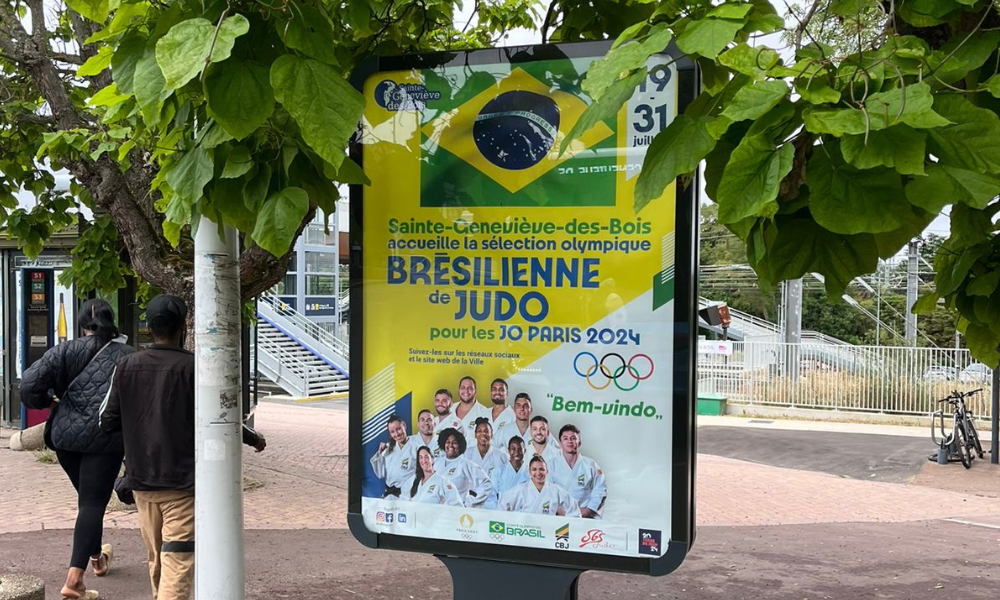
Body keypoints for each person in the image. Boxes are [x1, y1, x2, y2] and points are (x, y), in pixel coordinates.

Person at [100, 294, 265, 600]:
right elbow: (222, 419)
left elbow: (106, 421)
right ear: (183, 326)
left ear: (149, 328)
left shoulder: (126, 366)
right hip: (182, 485)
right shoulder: (195, 368)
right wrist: (253, 438)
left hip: (142, 483)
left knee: (158, 561)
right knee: (177, 560)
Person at [21, 299, 135, 600]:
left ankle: (97, 558)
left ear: (82, 322)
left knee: (89, 501)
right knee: (92, 504)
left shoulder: (65, 350)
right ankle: (74, 580)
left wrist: (48, 402)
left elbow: (28, 384)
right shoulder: (128, 355)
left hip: (66, 439)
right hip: (105, 439)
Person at [550, 424, 607, 519]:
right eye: (565, 438)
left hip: (585, 516)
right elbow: (547, 490)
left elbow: (600, 490)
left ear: (579, 442)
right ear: (560, 443)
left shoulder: (591, 465)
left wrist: (589, 509)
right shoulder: (551, 464)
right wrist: (560, 511)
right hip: (558, 516)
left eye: (573, 438)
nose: (569, 441)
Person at [499, 455, 580, 517]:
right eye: (534, 469)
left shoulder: (555, 491)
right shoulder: (522, 489)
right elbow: (502, 505)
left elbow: (573, 507)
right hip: (527, 531)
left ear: (547, 471)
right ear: (530, 472)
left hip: (549, 532)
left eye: (542, 469)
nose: (538, 473)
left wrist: (572, 527)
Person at [434, 428, 493, 507]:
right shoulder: (436, 464)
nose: (450, 445)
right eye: (447, 442)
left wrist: (470, 503)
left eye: (454, 443)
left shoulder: (465, 464)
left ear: (460, 445)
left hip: (458, 511)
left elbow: (487, 484)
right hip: (438, 511)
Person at [463, 417, 508, 508]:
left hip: (493, 503)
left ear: (491, 435)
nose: (483, 434)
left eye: (486, 431)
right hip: (471, 502)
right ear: (475, 435)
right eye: (479, 431)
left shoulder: (501, 456)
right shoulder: (466, 454)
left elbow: (505, 481)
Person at [370, 414, 417, 497]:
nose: (397, 434)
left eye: (399, 429)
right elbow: (380, 474)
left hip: (409, 493)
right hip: (390, 492)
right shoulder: (388, 448)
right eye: (392, 432)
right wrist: (379, 453)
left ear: (404, 426)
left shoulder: (416, 444)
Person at [493, 392, 559, 450]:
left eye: (526, 406)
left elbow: (557, 451)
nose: (522, 409)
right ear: (514, 409)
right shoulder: (504, 431)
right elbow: (490, 449)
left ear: (531, 410)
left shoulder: (541, 432)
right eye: (518, 406)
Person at [493, 436, 529, 502]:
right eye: (513, 449)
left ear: (525, 451)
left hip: (523, 511)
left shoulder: (530, 473)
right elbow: (491, 496)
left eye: (520, 449)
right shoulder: (498, 471)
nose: (517, 452)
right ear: (508, 450)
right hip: (502, 510)